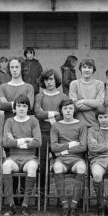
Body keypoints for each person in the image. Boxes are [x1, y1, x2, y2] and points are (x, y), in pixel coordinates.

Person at [2, 94, 41, 216]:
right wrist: (25, 140)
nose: (21, 108)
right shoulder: (9, 121)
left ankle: (25, 205)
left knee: (32, 168)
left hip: (29, 157)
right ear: (15, 108)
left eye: (24, 106)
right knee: (6, 166)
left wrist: (17, 142)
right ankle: (11, 205)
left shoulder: (33, 121)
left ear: (28, 108)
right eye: (19, 106)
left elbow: (38, 142)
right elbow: (6, 142)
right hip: (13, 157)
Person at [34, 69, 68, 201]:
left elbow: (64, 115)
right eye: (47, 79)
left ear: (56, 80)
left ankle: (61, 196)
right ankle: (42, 195)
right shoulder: (39, 96)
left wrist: (47, 114)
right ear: (43, 81)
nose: (49, 82)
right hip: (42, 133)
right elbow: (38, 114)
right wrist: (54, 114)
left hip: (59, 135)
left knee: (61, 163)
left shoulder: (63, 97)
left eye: (52, 79)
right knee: (42, 164)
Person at [50, 99, 87, 216]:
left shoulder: (81, 125)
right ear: (61, 110)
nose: (68, 110)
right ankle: (65, 205)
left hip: (77, 159)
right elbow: (54, 146)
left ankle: (74, 206)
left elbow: (82, 147)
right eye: (65, 108)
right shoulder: (56, 125)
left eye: (70, 108)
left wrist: (63, 151)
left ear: (74, 110)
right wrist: (71, 145)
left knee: (82, 167)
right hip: (61, 160)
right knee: (57, 167)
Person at [69, 58, 105, 128]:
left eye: (90, 67)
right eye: (84, 67)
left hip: (95, 124)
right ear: (80, 69)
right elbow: (74, 105)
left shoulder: (99, 84)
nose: (87, 70)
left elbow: (100, 103)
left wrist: (83, 101)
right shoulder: (74, 84)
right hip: (78, 124)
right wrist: (93, 104)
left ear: (93, 70)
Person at [0, 57, 34, 122]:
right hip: (8, 125)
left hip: (25, 125)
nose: (14, 70)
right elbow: (1, 105)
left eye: (17, 67)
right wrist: (22, 105)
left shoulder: (29, 87)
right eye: (12, 67)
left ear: (22, 68)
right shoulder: (2, 87)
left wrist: (9, 105)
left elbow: (30, 106)